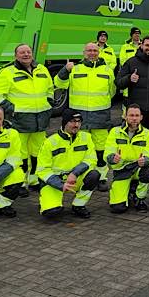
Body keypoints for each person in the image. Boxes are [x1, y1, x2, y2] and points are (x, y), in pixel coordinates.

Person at [0, 43, 53, 192]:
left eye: (28, 52)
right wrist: (11, 110)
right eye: (22, 52)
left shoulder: (42, 69)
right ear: (16, 55)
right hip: (19, 119)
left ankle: (34, 179)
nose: (26, 54)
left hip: (41, 118)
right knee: (20, 153)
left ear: (32, 54)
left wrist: (50, 103)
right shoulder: (7, 72)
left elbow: (50, 89)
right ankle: (21, 182)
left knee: (38, 151)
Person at [54, 42, 116, 191]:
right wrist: (64, 70)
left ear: (99, 52)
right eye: (89, 50)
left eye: (95, 50)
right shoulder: (75, 69)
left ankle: (101, 177)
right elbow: (59, 84)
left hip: (100, 117)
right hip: (79, 118)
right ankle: (83, 175)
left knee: (101, 149)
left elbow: (112, 91)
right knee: (82, 148)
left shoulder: (107, 70)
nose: (92, 53)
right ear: (84, 52)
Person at [35, 109, 99, 219]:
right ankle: (46, 201)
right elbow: (42, 170)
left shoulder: (86, 137)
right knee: (52, 213)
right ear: (64, 122)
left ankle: (78, 205)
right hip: (54, 182)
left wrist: (75, 173)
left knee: (94, 175)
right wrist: (60, 184)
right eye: (72, 121)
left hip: (74, 178)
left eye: (79, 121)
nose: (76, 125)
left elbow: (91, 159)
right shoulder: (50, 142)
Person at [104, 104, 149, 213]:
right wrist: (112, 158)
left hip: (138, 168)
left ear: (141, 117)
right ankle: (129, 189)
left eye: (137, 115)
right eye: (131, 115)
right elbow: (108, 149)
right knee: (118, 208)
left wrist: (145, 160)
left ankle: (139, 198)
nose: (134, 118)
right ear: (125, 116)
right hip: (122, 170)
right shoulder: (115, 131)